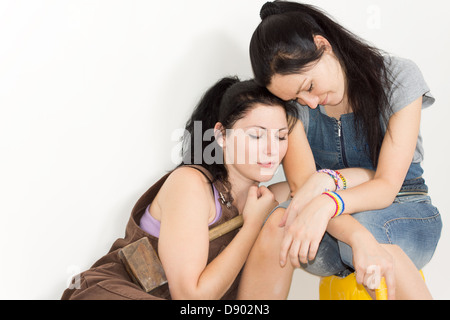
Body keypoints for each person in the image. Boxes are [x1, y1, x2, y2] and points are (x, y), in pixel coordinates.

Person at [239, 1, 442, 299]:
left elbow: (385, 186)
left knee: (368, 230)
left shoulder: (397, 78)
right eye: (296, 97)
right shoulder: (295, 109)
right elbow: (304, 190)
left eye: (308, 86)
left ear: (322, 45)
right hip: (331, 224)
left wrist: (328, 204)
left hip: (405, 209)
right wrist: (347, 228)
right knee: (277, 225)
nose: (309, 102)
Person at [62, 77, 300, 300]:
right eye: (257, 136)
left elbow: (312, 183)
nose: (271, 150)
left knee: (283, 221)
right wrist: (251, 225)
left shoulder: (269, 199)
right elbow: (190, 298)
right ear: (222, 136)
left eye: (281, 137)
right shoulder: (191, 183)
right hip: (116, 292)